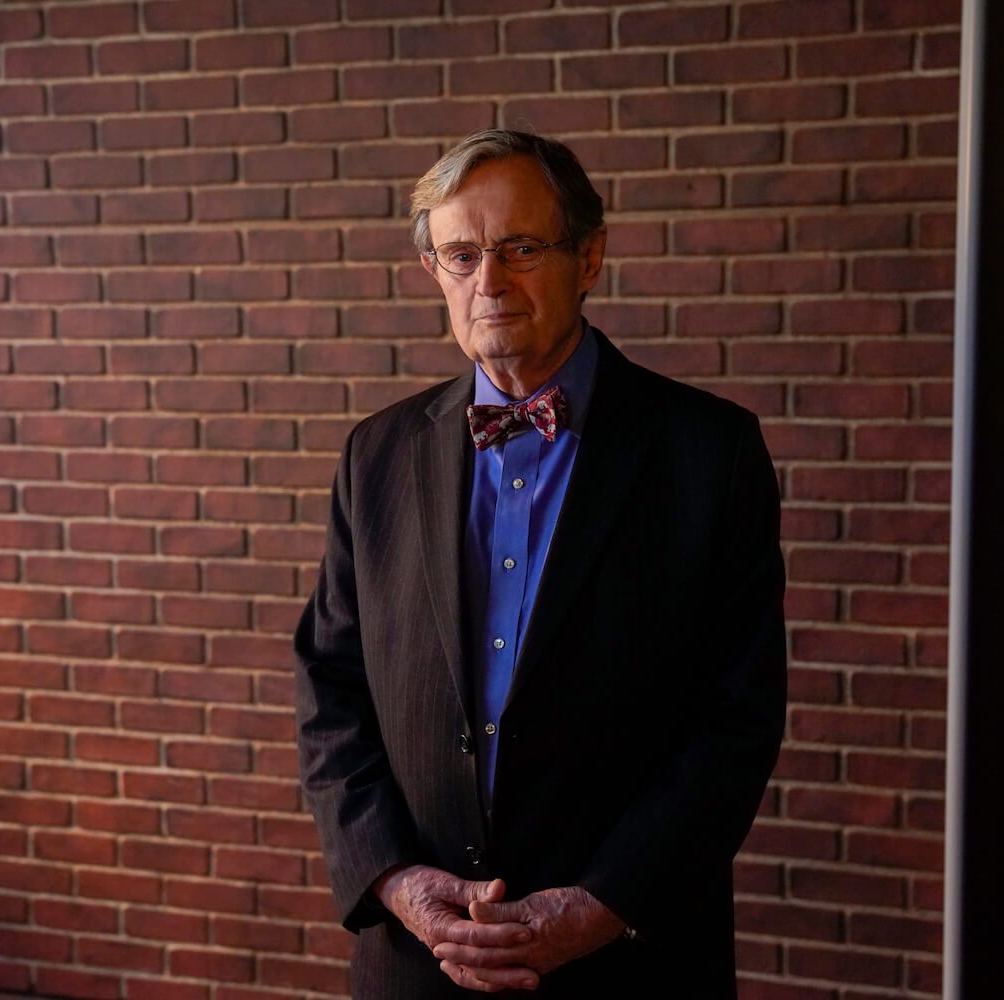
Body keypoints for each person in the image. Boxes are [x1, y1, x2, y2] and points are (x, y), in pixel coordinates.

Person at [293, 129, 787, 998]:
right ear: (434, 271)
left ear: (589, 256)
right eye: (462, 254)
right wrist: (395, 881)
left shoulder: (711, 453)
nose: (489, 281)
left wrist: (599, 906)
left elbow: (735, 720)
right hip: (417, 962)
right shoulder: (376, 454)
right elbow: (331, 688)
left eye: (521, 247)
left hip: (629, 960)